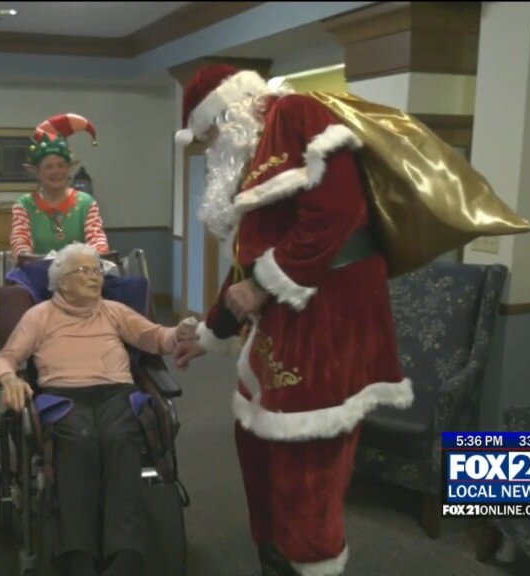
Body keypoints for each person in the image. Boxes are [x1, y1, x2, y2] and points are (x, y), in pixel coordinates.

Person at [171, 64, 413, 576]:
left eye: (210, 131)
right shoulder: (251, 155)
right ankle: (275, 556)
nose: (211, 145)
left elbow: (337, 213)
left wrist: (261, 285)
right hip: (283, 331)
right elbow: (247, 264)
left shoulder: (300, 114)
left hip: (331, 326)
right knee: (257, 447)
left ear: (230, 111)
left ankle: (311, 560)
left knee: (307, 465)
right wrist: (212, 332)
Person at [0, 242, 197, 576]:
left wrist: (180, 333)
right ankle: (78, 554)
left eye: (97, 271)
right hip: (63, 397)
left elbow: (156, 338)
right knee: (79, 441)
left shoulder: (114, 310)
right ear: (61, 282)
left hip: (117, 393)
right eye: (83, 271)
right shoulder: (39, 316)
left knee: (120, 438)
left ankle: (125, 553)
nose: (94, 278)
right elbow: (5, 357)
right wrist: (10, 380)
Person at [10, 113, 111, 260]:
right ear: (37, 172)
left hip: (79, 275)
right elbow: (20, 246)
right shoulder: (24, 205)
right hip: (38, 276)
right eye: (49, 167)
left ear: (68, 168)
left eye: (61, 165)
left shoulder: (86, 203)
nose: (56, 171)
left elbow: (98, 243)